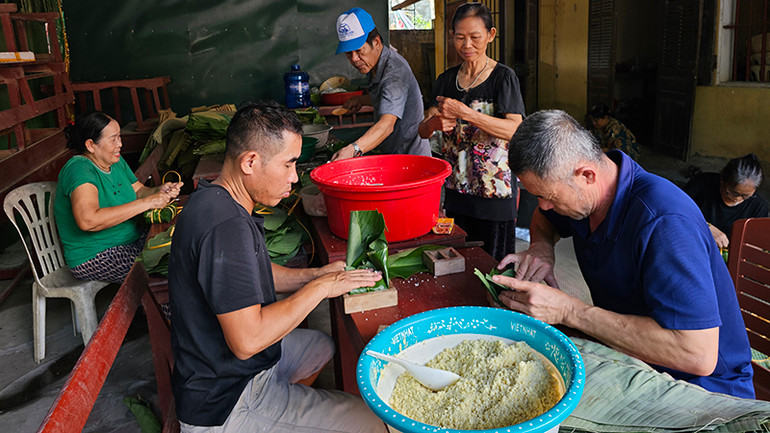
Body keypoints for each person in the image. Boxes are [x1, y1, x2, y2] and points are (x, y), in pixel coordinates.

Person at [494, 109, 754, 398]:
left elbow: (698, 355)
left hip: (702, 389)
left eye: (548, 197)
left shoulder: (664, 222)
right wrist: (541, 248)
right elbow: (545, 220)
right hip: (632, 356)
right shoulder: (585, 196)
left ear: (587, 175)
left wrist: (569, 311)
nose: (542, 206)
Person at [168, 101, 387, 432]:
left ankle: (287, 415)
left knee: (319, 347)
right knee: (374, 424)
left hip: (222, 371)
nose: (294, 177)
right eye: (288, 164)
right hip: (228, 401)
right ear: (250, 162)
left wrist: (316, 274)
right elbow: (248, 340)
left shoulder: (217, 198)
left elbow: (251, 275)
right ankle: (272, 416)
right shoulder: (224, 226)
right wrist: (320, 289)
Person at [417, 2, 524, 260]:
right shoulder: (445, 80)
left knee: (493, 267)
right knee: (459, 267)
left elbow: (515, 130)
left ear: (491, 35)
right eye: (459, 37)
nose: (467, 45)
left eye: (475, 37)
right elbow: (423, 129)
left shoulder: (503, 78)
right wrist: (434, 125)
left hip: (494, 194)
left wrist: (466, 114)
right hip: (457, 193)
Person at [54, 112, 182, 283]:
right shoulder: (79, 170)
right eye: (113, 139)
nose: (120, 144)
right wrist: (147, 203)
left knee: (181, 246)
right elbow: (88, 220)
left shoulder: (115, 161)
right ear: (91, 145)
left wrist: (160, 190)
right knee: (167, 268)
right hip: (97, 255)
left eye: (119, 137)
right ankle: (161, 309)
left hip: (131, 241)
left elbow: (139, 191)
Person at [331, 7, 430, 160]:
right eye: (348, 53)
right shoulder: (374, 63)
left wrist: (353, 149)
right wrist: (361, 100)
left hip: (410, 158)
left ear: (376, 42)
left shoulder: (394, 74)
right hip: (392, 154)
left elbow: (386, 125)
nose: (354, 59)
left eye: (359, 51)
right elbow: (388, 98)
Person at [683, 154, 768, 249]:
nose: (738, 199)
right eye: (733, 193)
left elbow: (755, 243)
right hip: (689, 242)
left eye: (745, 196)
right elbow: (675, 209)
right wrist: (706, 227)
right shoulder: (702, 183)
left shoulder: (758, 205)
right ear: (722, 180)